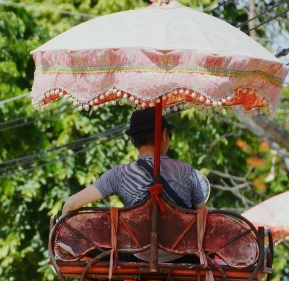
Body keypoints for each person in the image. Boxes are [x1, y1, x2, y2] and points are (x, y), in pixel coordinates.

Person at [62, 108, 208, 264]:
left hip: (138, 257)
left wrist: (63, 238)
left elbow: (72, 204)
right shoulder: (186, 170)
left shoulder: (119, 174)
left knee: (101, 250)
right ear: (164, 134)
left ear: (132, 141)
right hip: (182, 257)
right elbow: (203, 215)